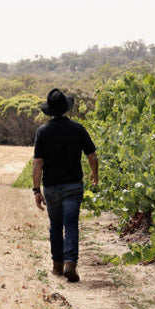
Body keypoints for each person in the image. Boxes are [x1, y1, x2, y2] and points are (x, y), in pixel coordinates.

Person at [32, 88, 98, 282]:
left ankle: (57, 265)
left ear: (49, 110)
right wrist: (95, 174)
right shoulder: (78, 129)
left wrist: (36, 190)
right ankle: (70, 262)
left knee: (55, 225)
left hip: (51, 187)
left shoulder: (42, 132)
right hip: (73, 186)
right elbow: (92, 156)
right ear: (66, 109)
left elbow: (38, 163)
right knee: (71, 224)